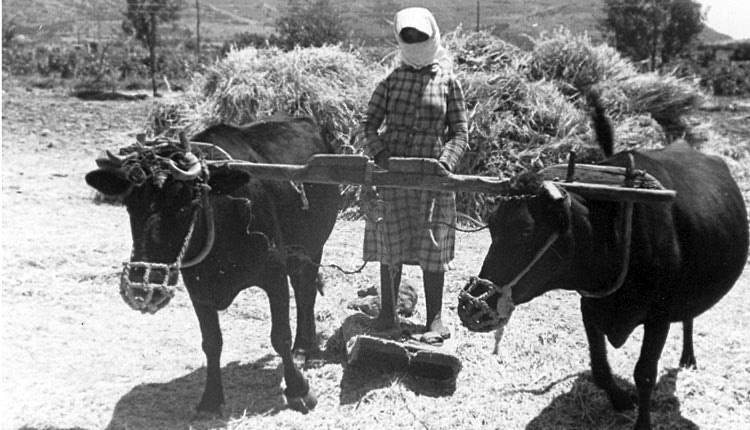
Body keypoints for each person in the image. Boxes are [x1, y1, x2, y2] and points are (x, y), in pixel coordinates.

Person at [358, 7, 468, 345]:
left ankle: (434, 318)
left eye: (421, 36)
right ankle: (388, 313)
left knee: (431, 247)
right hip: (392, 177)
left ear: (432, 35)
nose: (415, 41)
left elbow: (460, 133)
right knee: (390, 242)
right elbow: (366, 126)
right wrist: (381, 155)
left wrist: (445, 164)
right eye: (408, 36)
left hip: (432, 180)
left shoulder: (448, 82)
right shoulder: (391, 81)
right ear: (400, 39)